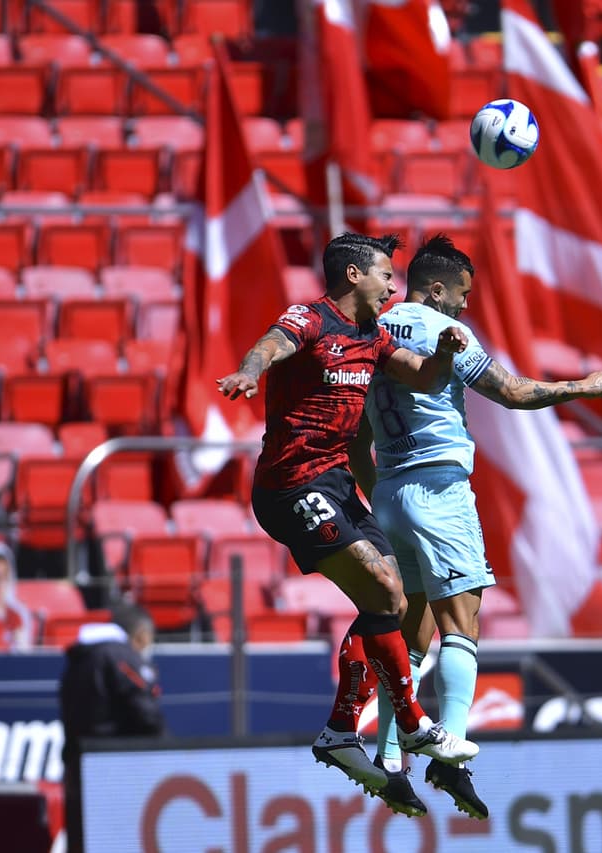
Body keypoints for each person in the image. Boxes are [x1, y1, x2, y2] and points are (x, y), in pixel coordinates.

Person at [349, 234, 602, 818]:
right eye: (463, 294)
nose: (466, 307)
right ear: (438, 288)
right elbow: (514, 393)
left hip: (392, 489)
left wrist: (382, 497)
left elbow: (357, 443)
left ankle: (392, 761)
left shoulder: (372, 337)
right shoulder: (442, 333)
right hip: (440, 489)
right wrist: (583, 387)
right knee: (461, 623)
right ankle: (450, 757)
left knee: (413, 635)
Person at [215, 232, 480, 797]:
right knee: (385, 588)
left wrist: (446, 353)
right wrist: (250, 371)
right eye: (386, 274)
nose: (393, 284)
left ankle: (341, 730)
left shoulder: (374, 336)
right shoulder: (311, 319)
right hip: (290, 484)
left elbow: (424, 376)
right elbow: (270, 345)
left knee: (391, 602)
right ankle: (412, 727)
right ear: (354, 275)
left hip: (335, 483)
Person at [58, 604, 164, 853]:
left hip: (79, 767)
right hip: (115, 770)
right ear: (141, 635)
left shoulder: (78, 658)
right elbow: (146, 714)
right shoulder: (120, 656)